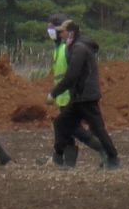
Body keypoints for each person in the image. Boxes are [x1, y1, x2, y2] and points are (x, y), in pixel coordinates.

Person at [48, 19, 119, 169]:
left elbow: (72, 75)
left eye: (63, 31)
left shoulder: (79, 49)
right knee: (61, 123)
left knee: (98, 129)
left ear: (71, 32)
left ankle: (112, 158)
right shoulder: (74, 47)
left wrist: (54, 93)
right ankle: (59, 157)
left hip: (86, 96)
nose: (60, 34)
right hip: (79, 96)